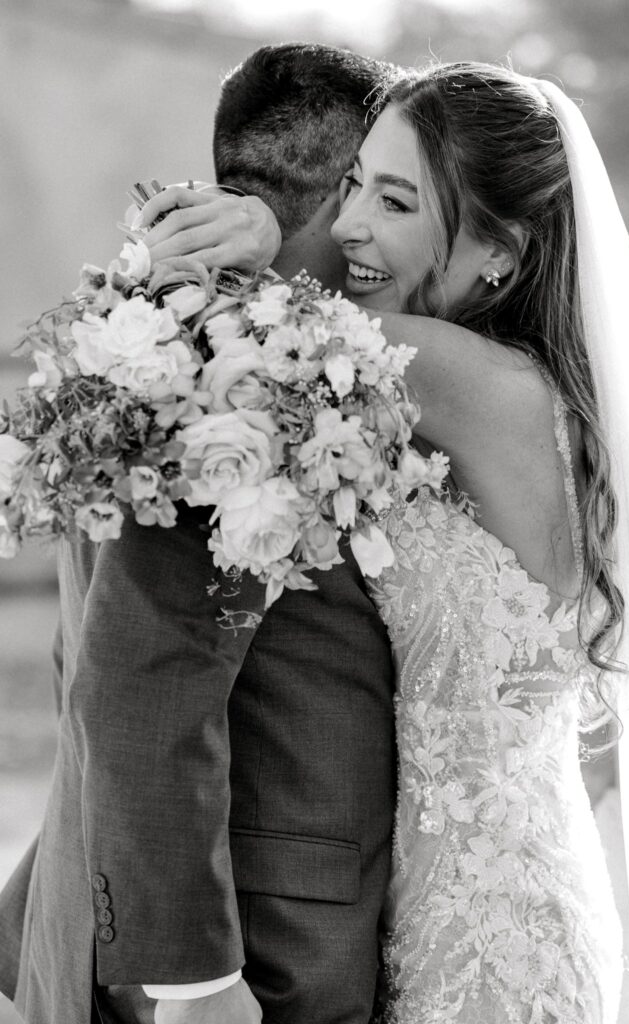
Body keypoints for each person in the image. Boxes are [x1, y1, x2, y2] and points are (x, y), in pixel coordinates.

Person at [142, 61, 629, 1024]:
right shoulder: (513, 388)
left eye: (394, 200)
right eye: (353, 182)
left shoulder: (455, 375)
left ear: (501, 253)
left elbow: (252, 331)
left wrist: (268, 229)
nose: (349, 223)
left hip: (488, 936)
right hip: (477, 893)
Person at [0, 44, 399, 1024]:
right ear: (341, 185)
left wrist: (29, 923)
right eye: (381, 190)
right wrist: (197, 984)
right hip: (252, 962)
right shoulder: (234, 355)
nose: (380, 224)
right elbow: (140, 673)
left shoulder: (144, 326)